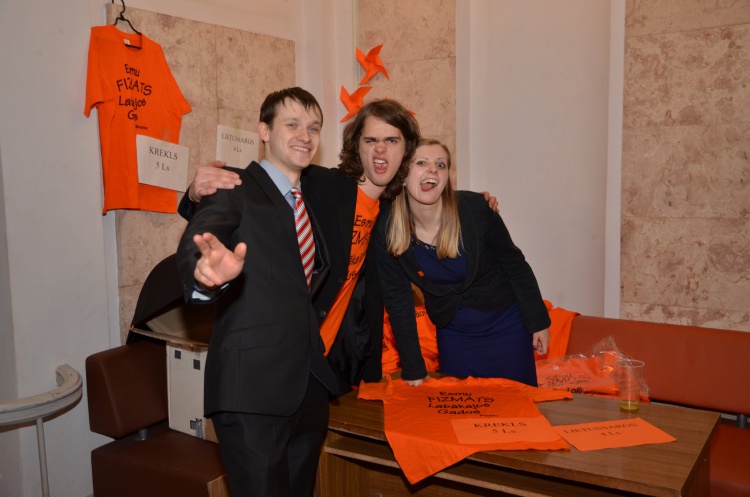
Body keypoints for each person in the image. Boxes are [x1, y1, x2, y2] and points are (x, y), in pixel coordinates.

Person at [179, 99, 423, 391]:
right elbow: (254, 187)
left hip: (337, 359)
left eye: (392, 140)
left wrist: (414, 368)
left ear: (406, 149)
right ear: (357, 145)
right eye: (370, 140)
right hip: (280, 353)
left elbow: (396, 290)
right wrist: (195, 194)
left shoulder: (391, 211)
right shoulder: (320, 184)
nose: (380, 149)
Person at [176, 87, 341, 497]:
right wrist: (206, 275)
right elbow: (200, 239)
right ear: (264, 131)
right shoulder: (234, 186)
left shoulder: (309, 196)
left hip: (307, 388)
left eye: (314, 127)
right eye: (292, 124)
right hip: (250, 390)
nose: (305, 135)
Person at [373, 138, 551, 387]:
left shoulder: (475, 208)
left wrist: (539, 322)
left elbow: (515, 264)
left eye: (441, 165)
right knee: (461, 409)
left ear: (446, 178)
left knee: (517, 406)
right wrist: (413, 366)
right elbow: (397, 300)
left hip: (506, 327)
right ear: (402, 175)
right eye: (421, 162)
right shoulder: (388, 229)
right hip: (454, 335)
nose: (433, 169)